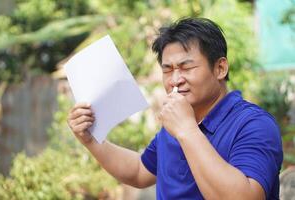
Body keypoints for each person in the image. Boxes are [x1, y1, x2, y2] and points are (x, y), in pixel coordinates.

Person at [67, 17, 283, 199]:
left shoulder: (254, 124)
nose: (175, 80)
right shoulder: (176, 124)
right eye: (168, 70)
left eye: (186, 67)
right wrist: (91, 139)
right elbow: (140, 171)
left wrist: (187, 131)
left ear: (220, 68)